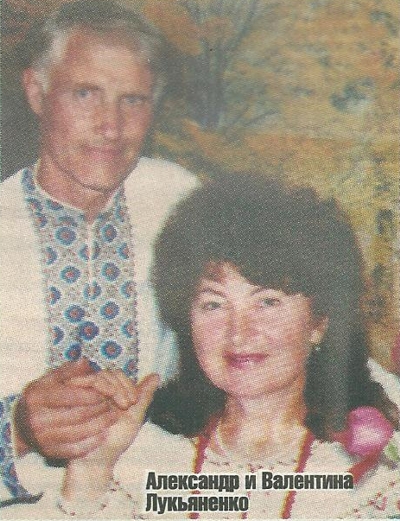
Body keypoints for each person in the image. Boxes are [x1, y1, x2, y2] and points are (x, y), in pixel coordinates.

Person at [3, 175, 399, 518]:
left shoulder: (376, 472)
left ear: (319, 321)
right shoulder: (145, 453)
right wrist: (91, 472)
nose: (238, 333)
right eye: (213, 304)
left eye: (267, 302)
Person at [0, 0, 198, 504]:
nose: (111, 125)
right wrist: (17, 430)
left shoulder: (180, 201)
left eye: (132, 100)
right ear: (36, 92)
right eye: (85, 94)